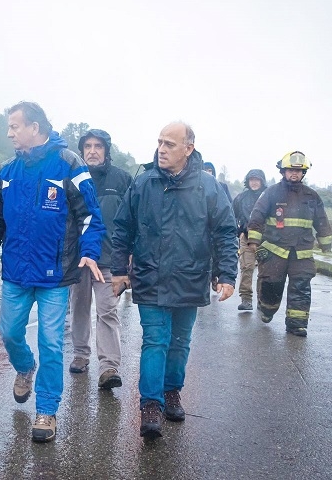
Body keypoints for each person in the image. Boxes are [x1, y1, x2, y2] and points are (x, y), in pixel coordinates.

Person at [0, 101, 105, 443]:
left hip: (55, 275)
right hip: (16, 273)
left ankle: (46, 410)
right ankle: (24, 366)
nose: (9, 133)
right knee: (10, 334)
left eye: (14, 126)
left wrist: (90, 252)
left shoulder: (68, 164)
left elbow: (91, 215)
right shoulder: (5, 171)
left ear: (35, 127)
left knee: (51, 342)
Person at [110, 121, 238, 440]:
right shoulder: (143, 184)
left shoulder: (208, 187)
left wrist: (226, 274)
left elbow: (224, 232)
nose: (161, 149)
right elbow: (122, 228)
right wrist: (119, 271)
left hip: (191, 278)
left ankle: (171, 392)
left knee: (180, 343)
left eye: (169, 144)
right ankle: (150, 405)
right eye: (159, 143)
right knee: (155, 340)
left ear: (188, 149)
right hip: (150, 276)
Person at [67, 129, 132, 389]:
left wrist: (129, 258)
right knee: (79, 308)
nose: (92, 151)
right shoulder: (71, 178)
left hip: (109, 259)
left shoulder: (123, 179)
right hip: (79, 258)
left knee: (107, 311)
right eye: (88, 146)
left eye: (98, 146)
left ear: (107, 150)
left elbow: (131, 221)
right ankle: (81, 354)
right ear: (81, 150)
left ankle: (109, 366)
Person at [247, 151, 332, 337]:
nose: (295, 174)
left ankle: (296, 324)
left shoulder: (312, 196)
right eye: (291, 170)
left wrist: (326, 242)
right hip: (274, 251)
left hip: (301, 253)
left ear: (304, 173)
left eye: (299, 171)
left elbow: (322, 221)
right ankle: (267, 309)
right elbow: (257, 216)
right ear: (283, 171)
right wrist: (253, 241)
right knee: (272, 285)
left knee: (301, 288)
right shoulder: (271, 193)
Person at [231, 169, 268, 310]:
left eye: (257, 180)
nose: (254, 182)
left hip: (266, 240)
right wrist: (238, 232)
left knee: (266, 272)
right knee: (247, 268)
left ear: (262, 181)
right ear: (248, 181)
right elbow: (231, 216)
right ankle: (246, 299)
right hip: (246, 238)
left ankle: (262, 299)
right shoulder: (241, 198)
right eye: (252, 179)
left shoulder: (269, 197)